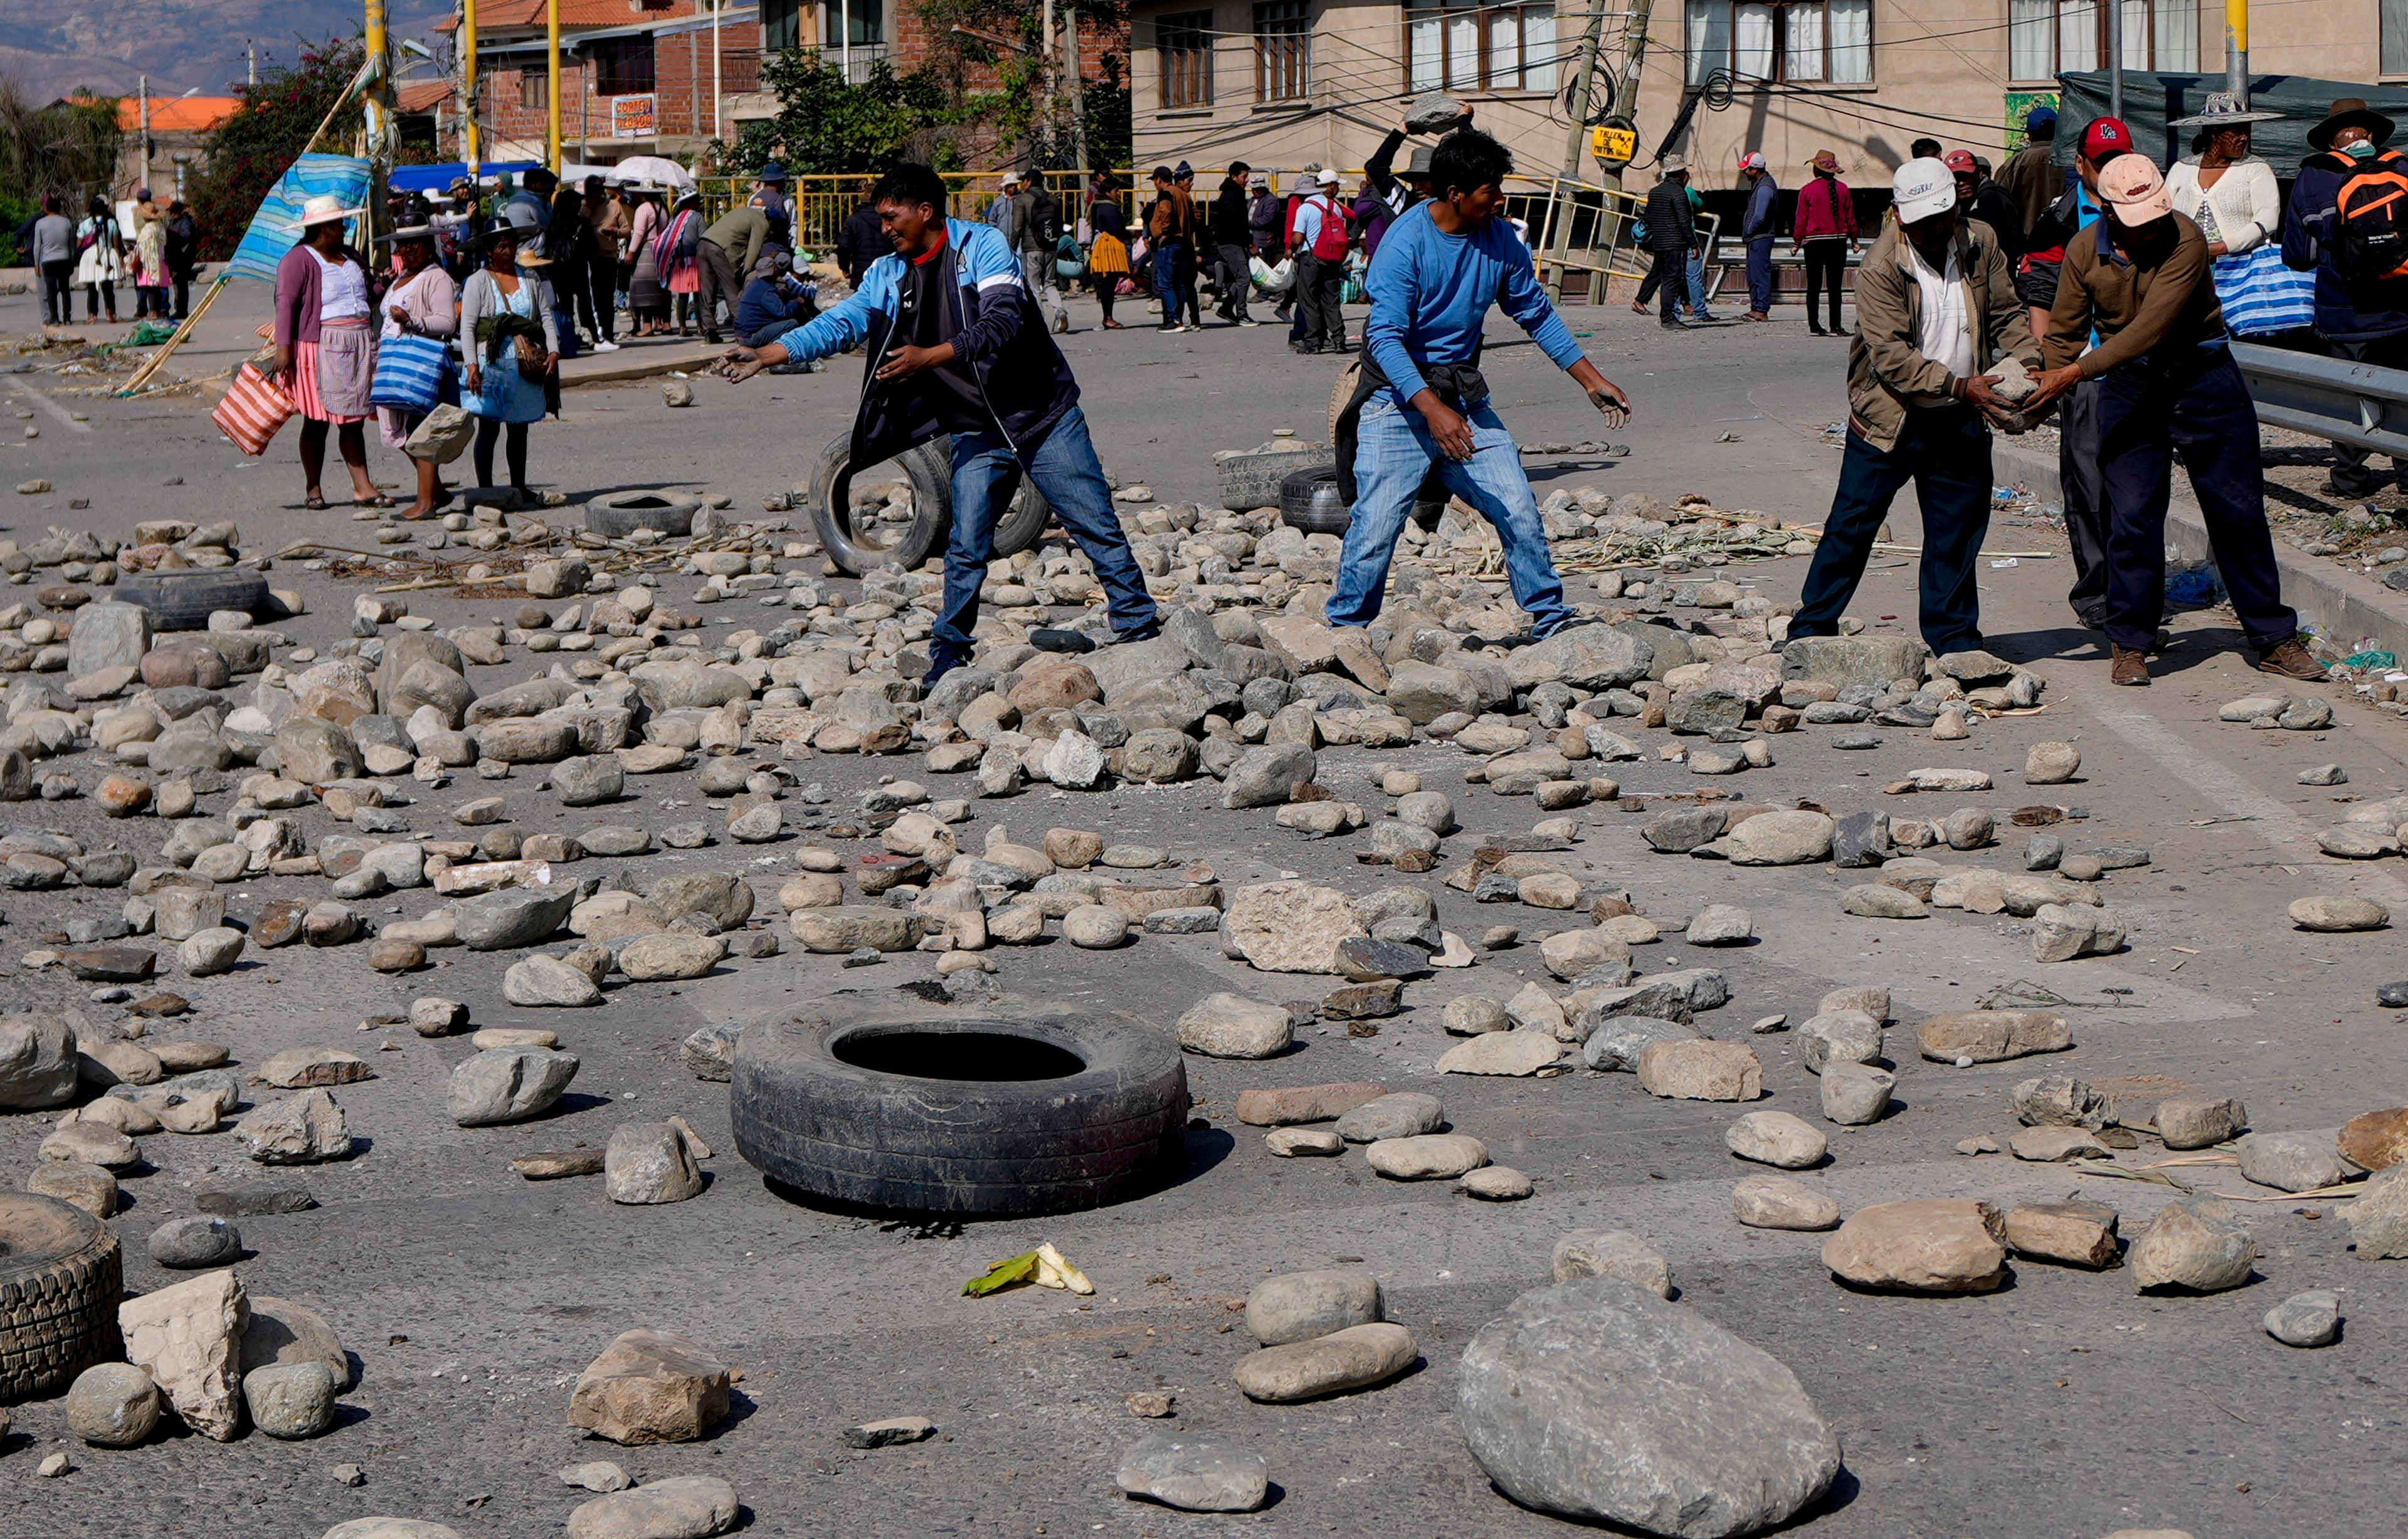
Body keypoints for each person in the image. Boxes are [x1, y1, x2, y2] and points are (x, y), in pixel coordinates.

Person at [717, 162, 1161, 685]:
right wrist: (766, 354)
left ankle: (1139, 628)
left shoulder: (982, 247)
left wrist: (932, 356)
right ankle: (950, 652)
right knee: (966, 542)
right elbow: (839, 324)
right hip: (977, 426)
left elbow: (1005, 320)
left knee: (1095, 522)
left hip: (1041, 412)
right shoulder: (888, 274)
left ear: (925, 211)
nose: (884, 228)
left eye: (891, 217)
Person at [2023, 155, 2326, 686]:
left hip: (2203, 379)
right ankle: (2132, 641)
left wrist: (2072, 374)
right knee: (2133, 516)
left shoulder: (2184, 239)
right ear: (2110, 213)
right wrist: (2045, 394)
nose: (2150, 230)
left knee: (2237, 512)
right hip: (2131, 387)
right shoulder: (2081, 250)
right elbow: (2066, 332)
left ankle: (2273, 637)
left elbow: (2150, 328)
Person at [1332, 129, 1634, 640]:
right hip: (1397, 401)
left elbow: (1535, 312)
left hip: (1461, 398)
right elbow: (1383, 338)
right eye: (1490, 190)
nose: (1501, 199)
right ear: (1455, 193)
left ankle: (1550, 619)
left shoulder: (1499, 241)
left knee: (1516, 505)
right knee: (1376, 526)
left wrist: (1590, 378)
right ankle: (1346, 631)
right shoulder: (1405, 243)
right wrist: (1430, 409)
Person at [1789, 159, 2037, 658]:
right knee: (1853, 523)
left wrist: (2025, 362)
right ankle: (1812, 630)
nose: (1935, 228)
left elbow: (2006, 313)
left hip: (1961, 416)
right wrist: (1962, 386)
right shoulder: (1881, 266)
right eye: (1923, 221)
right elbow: (1892, 358)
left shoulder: (1981, 241)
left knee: (1957, 530)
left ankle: (1955, 641)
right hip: (1892, 418)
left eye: (1943, 216)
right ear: (1901, 216)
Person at [2283, 97, 2408, 498]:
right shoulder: (2403, 168)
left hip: (2342, 311)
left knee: (2348, 395)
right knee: (2403, 391)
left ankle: (2350, 479)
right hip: (2400, 309)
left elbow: (2298, 257)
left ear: (2331, 141)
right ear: (2371, 134)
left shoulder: (2314, 176)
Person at [272, 194, 388, 510]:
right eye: (339, 223)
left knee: (353, 421)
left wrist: (385, 283)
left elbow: (367, 293)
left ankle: (363, 488)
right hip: (320, 346)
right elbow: (286, 303)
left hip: (359, 342)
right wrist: (284, 348)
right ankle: (314, 488)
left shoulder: (350, 256)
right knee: (317, 421)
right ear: (324, 228)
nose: (344, 228)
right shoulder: (298, 259)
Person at [458, 224, 559, 501]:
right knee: (489, 427)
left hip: (524, 362)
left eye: (511, 244)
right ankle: (486, 489)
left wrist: (553, 350)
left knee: (519, 427)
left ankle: (519, 486)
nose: (508, 250)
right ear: (489, 251)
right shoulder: (478, 281)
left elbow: (546, 317)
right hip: (491, 362)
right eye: (501, 245)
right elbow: (467, 327)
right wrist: (472, 366)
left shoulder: (530, 277)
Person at [376, 219, 460, 520]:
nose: (408, 250)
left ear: (428, 245)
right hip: (397, 363)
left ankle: (425, 502)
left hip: (421, 364)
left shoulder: (436, 277)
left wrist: (411, 321)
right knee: (405, 432)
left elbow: (447, 322)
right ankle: (435, 492)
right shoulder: (402, 277)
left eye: (415, 244)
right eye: (403, 245)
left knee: (420, 430)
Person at [1793, 150, 1857, 335]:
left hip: (1814, 244)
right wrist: (1854, 239)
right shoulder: (1844, 189)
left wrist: (1797, 242)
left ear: (1817, 169)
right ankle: (1836, 325)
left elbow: (1801, 220)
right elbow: (1850, 218)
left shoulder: (1807, 190)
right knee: (1835, 287)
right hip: (1838, 242)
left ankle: (1814, 325)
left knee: (1813, 286)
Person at [1290, 171, 1351, 354]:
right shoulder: (1336, 207)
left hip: (1311, 259)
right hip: (1332, 260)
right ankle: (1339, 340)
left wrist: (1292, 246)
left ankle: (1314, 342)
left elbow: (1299, 238)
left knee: (1310, 301)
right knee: (1331, 302)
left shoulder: (1306, 208)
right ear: (1329, 185)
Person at [1010, 171, 1070, 334]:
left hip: (1031, 248)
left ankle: (1039, 323)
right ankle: (1060, 310)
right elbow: (1060, 223)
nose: (1022, 184)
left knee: (1034, 287)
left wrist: (1012, 248)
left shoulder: (1022, 200)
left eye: (1024, 181)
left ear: (1029, 182)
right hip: (1051, 248)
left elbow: (1017, 228)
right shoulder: (1053, 199)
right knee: (1050, 283)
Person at [1995, 105, 2063, 244]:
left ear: (2029, 135)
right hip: (2064, 244)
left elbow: (1999, 205)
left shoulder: (2013, 165)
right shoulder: (2073, 163)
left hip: (2026, 246)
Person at [1640, 159, 1696, 328]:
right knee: (1673, 280)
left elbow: (1648, 218)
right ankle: (1667, 317)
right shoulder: (1678, 193)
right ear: (1680, 174)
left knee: (1667, 279)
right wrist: (1693, 244)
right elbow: (1684, 221)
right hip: (1675, 244)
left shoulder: (1655, 192)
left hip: (1659, 243)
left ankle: (1673, 313)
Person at [1146, 165, 1201, 332]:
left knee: (1165, 283)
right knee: (1180, 283)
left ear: (1159, 180)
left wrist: (1163, 233)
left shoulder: (1166, 193)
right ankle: (1182, 317)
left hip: (1170, 243)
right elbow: (1196, 216)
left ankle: (1174, 320)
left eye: (1155, 181)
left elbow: (1166, 213)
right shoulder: (1184, 195)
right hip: (1184, 242)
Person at [543, 185, 597, 352]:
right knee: (584, 302)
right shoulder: (581, 223)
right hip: (578, 269)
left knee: (565, 305)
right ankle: (592, 335)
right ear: (574, 204)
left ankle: (570, 336)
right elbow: (593, 248)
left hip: (558, 271)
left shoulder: (552, 224)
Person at [1948, 150, 2023, 261]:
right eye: (1956, 178)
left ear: (1978, 174)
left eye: (1966, 176)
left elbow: (1999, 245)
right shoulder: (1966, 201)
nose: (1961, 183)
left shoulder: (1988, 199)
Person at [735, 250, 813, 347]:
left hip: (742, 334)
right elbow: (783, 313)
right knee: (792, 323)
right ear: (775, 270)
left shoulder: (756, 284)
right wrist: (798, 302)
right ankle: (772, 349)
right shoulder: (767, 290)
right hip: (749, 337)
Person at [584, 175, 626, 350]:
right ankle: (596, 334)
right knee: (593, 298)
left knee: (607, 298)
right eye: (592, 191)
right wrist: (589, 208)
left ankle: (608, 334)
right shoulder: (584, 207)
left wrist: (615, 232)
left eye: (598, 191)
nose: (596, 195)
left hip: (608, 257)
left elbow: (627, 230)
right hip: (589, 259)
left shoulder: (614, 206)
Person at [1212, 163, 1256, 324]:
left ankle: (1226, 309)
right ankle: (1242, 314)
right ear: (1234, 177)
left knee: (1238, 279)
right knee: (1243, 278)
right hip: (1231, 242)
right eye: (1244, 176)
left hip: (1233, 241)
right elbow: (1238, 221)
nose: (1247, 180)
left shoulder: (1233, 192)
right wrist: (1250, 243)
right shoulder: (1233, 194)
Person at [1086, 174, 1131, 330]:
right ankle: (1108, 317)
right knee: (1109, 283)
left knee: (1108, 283)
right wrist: (1128, 235)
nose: (1118, 193)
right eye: (1116, 190)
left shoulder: (1100, 205)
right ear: (1108, 192)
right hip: (1109, 247)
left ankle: (1108, 317)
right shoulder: (1109, 207)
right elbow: (1116, 229)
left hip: (1105, 245)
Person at [1738, 152, 1778, 322]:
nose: (1745, 173)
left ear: (1755, 170)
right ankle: (1756, 307)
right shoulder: (1761, 185)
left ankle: (1761, 309)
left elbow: (1759, 216)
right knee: (1754, 273)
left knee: (1760, 274)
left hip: (1760, 237)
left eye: (1747, 169)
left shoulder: (1764, 188)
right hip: (1757, 238)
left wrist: (1748, 231)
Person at [658, 191, 705, 335]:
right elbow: (703, 237)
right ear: (692, 203)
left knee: (682, 296)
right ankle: (701, 326)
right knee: (698, 294)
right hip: (694, 260)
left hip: (679, 262)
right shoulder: (697, 217)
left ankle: (683, 327)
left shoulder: (676, 219)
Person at [626, 189, 668, 336]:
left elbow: (639, 232)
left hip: (647, 249)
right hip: (662, 249)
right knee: (661, 288)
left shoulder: (644, 209)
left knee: (643, 289)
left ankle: (647, 326)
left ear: (642, 194)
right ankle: (664, 324)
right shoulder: (663, 206)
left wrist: (631, 252)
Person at [75, 196, 123, 324]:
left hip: (91, 255)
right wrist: (118, 258)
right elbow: (117, 244)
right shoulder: (112, 222)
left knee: (92, 288)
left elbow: (79, 244)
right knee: (108, 287)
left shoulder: (85, 224)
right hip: (107, 254)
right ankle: (110, 313)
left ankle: (92, 315)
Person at [31, 196, 73, 326]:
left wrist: (36, 264)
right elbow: (71, 245)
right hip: (64, 258)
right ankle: (67, 316)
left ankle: (54, 318)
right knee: (65, 290)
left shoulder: (40, 223)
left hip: (48, 261)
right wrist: (72, 260)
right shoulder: (66, 222)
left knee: (51, 290)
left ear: (47, 208)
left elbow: (37, 246)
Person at [132, 204, 169, 319]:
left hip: (149, 261)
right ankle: (158, 310)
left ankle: (153, 311)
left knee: (151, 287)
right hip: (161, 259)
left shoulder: (147, 229)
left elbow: (142, 246)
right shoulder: (160, 227)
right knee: (158, 287)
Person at [164, 198, 200, 320]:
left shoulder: (184, 223)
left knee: (181, 285)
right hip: (176, 258)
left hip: (182, 259)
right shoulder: (179, 223)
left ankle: (181, 310)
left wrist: (173, 237)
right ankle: (179, 309)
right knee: (178, 284)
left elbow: (186, 238)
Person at [504, 166, 555, 232]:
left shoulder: (514, 199)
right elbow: (546, 225)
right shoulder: (532, 202)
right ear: (533, 185)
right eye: (542, 185)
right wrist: (548, 203)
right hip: (531, 241)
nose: (545, 188)